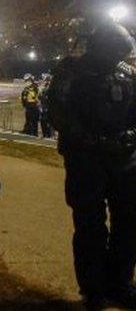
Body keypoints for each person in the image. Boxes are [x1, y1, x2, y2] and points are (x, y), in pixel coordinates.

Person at [47, 22, 136, 308]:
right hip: (86, 160)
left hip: (124, 160)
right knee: (90, 226)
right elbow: (59, 114)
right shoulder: (70, 72)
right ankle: (93, 288)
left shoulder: (127, 73)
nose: (117, 59)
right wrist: (93, 140)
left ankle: (121, 283)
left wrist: (129, 137)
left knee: (128, 224)